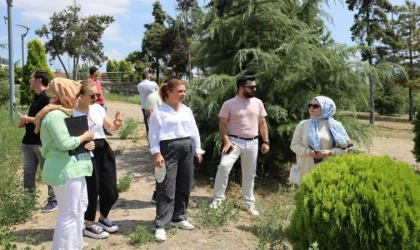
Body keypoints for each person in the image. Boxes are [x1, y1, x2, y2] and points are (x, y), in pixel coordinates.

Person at [34, 77, 95, 250]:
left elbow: (73, 142)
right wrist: (85, 137)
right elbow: (65, 143)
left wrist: (88, 143)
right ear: (65, 93)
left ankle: (75, 245)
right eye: (76, 94)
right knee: (68, 214)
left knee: (79, 209)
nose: (78, 98)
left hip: (74, 169)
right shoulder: (55, 116)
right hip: (65, 170)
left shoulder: (64, 114)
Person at [148, 78, 204, 241]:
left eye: (184, 91)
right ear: (169, 92)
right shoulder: (159, 112)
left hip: (187, 148)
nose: (183, 94)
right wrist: (157, 154)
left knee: (184, 184)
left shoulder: (186, 110)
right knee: (166, 187)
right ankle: (161, 224)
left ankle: (178, 217)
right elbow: (153, 135)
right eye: (180, 91)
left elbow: (194, 131)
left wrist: (198, 150)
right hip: (168, 149)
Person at [210, 75, 270, 216]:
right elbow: (222, 124)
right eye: (251, 87)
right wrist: (226, 141)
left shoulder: (258, 103)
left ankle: (249, 204)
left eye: (255, 86)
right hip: (233, 142)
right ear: (241, 88)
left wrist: (266, 141)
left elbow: (262, 123)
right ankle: (218, 199)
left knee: (249, 174)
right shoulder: (229, 104)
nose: (254, 89)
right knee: (224, 166)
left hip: (253, 143)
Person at [73, 80, 124, 239]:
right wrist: (85, 145)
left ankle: (103, 217)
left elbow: (110, 127)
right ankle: (89, 224)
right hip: (86, 150)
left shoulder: (98, 108)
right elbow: (75, 139)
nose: (96, 97)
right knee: (90, 188)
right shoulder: (73, 112)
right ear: (81, 96)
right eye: (92, 95)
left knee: (110, 187)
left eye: (98, 94)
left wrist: (117, 124)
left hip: (103, 148)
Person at [17, 70, 57, 212]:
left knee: (47, 172)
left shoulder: (47, 98)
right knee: (28, 173)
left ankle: (53, 200)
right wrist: (25, 122)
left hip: (41, 143)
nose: (29, 80)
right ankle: (28, 201)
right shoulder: (37, 97)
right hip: (28, 141)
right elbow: (36, 118)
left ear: (39, 80)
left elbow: (48, 121)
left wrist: (27, 119)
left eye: (31, 78)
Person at [290, 96, 352, 185]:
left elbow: (344, 149)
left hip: (328, 170)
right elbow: (294, 145)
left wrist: (329, 152)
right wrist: (309, 152)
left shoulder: (336, 126)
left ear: (326, 107)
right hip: (305, 169)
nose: (311, 108)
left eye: (315, 106)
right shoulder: (303, 125)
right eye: (310, 105)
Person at [144, 89, 163, 204]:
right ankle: (158, 195)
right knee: (161, 167)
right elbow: (150, 117)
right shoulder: (154, 97)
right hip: (161, 138)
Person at [88, 66, 112, 136]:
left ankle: (105, 130)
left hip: (102, 102)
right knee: (95, 117)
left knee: (104, 115)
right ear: (94, 72)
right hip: (95, 103)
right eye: (98, 71)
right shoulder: (89, 81)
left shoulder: (97, 81)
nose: (99, 73)